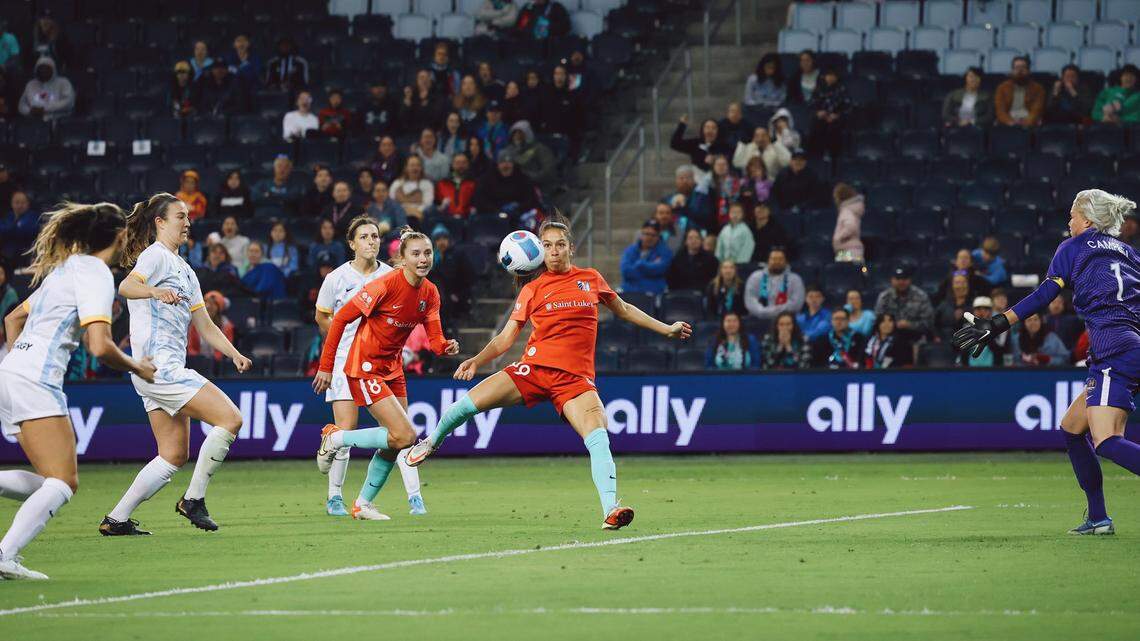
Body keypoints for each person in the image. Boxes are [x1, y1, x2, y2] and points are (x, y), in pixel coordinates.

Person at [405, 218, 691, 530]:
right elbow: (505, 338)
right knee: (466, 406)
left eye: (559, 244)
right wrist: (476, 360)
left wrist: (667, 329)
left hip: (575, 379)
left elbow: (624, 309)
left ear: (571, 248)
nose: (554, 251)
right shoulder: (532, 289)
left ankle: (611, 508)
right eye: (547, 245)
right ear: (540, 251)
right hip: (533, 370)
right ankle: (432, 441)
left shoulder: (591, 279)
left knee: (598, 437)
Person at [951, 189, 1140, 534]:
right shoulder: (1130, 253)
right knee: (1072, 428)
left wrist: (996, 323)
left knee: (1107, 440)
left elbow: (1044, 295)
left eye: (1072, 215)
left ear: (1086, 219)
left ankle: (1099, 518)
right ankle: (1098, 517)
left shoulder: (1074, 247)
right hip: (1126, 346)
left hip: (1113, 349)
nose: (1068, 222)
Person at [0, 202, 156, 579]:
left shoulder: (65, 269)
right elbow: (99, 346)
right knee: (63, 483)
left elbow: (12, 318)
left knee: (53, 480)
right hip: (34, 379)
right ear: (120, 236)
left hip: (11, 372)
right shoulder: (97, 275)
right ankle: (5, 555)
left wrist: (19, 359)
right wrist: (138, 365)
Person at [100, 194, 252, 536]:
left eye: (188, 217)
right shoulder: (155, 256)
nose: (187, 222)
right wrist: (154, 292)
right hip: (160, 368)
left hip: (154, 373)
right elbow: (126, 285)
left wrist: (233, 353)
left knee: (172, 455)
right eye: (180, 216)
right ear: (160, 222)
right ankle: (193, 499)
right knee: (231, 419)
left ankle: (116, 519)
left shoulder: (184, 269)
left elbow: (205, 325)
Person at [312, 228, 458, 520]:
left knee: (396, 443)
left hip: (393, 369)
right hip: (365, 366)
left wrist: (446, 346)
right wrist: (326, 366)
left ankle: (363, 504)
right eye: (415, 253)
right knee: (404, 435)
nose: (423, 259)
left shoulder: (430, 292)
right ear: (402, 259)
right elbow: (339, 319)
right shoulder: (384, 285)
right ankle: (337, 439)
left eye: (427, 253)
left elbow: (435, 339)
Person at [875, 265, 934, 343]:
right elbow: (878, 320)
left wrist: (910, 325)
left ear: (910, 280)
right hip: (891, 338)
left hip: (916, 338)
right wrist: (892, 325)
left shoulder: (921, 296)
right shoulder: (884, 297)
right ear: (892, 280)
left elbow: (928, 323)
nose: (901, 282)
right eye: (898, 279)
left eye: (904, 279)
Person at [471, 150, 539, 216]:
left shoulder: (523, 179)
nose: (506, 166)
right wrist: (496, 210)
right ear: (497, 164)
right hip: (493, 216)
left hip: (519, 215)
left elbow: (530, 199)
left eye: (509, 162)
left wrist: (518, 209)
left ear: (513, 164)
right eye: (502, 162)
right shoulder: (486, 180)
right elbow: (480, 200)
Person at [744, 247, 804, 321]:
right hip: (758, 319)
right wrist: (762, 312)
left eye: (780, 259)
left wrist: (774, 312)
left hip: (786, 321)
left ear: (786, 261)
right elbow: (750, 300)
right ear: (768, 261)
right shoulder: (755, 277)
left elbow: (796, 304)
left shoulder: (795, 279)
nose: (777, 262)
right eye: (774, 259)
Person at [806, 68, 851, 161]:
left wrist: (837, 115)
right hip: (821, 118)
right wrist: (818, 113)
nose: (830, 78)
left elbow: (848, 108)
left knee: (834, 128)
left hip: (836, 119)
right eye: (828, 75)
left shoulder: (842, 89)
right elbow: (811, 105)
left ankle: (832, 156)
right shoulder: (818, 89)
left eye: (832, 75)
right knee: (815, 126)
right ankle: (816, 157)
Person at [620, 220, 673, 296]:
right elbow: (626, 271)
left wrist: (640, 264)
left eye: (653, 235)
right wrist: (649, 268)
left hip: (653, 294)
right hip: (629, 292)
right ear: (641, 234)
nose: (649, 238)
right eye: (647, 234)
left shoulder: (665, 252)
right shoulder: (630, 250)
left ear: (658, 236)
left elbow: (661, 269)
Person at [18, 56, 73, 121]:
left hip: (59, 122)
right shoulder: (31, 84)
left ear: (53, 69)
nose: (43, 71)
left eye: (46, 68)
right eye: (40, 68)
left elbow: (68, 103)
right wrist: (30, 111)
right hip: (34, 123)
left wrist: (44, 109)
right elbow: (21, 105)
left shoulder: (63, 82)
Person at [508, 120, 557, 193]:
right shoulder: (511, 150)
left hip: (536, 186)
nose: (517, 136)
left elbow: (548, 172)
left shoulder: (540, 149)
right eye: (514, 133)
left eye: (520, 133)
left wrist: (526, 176)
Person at [995, 56, 1045, 127]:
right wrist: (1011, 123)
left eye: (1023, 67)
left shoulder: (1038, 89)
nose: (1020, 70)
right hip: (1007, 123)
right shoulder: (1002, 88)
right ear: (1012, 71)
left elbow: (1036, 111)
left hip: (1029, 124)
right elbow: (1000, 111)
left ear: (1028, 71)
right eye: (1017, 67)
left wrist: (1026, 123)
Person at [187, 290, 234, 362]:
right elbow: (192, 348)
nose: (208, 306)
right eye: (206, 302)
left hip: (217, 365)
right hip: (197, 363)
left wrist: (213, 361)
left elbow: (225, 350)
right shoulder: (195, 324)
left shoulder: (227, 326)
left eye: (213, 304)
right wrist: (198, 359)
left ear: (219, 308)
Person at [664, 165, 712, 231]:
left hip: (696, 234)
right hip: (675, 235)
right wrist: (672, 207)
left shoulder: (702, 197)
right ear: (676, 181)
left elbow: (706, 218)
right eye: (681, 178)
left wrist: (685, 205)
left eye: (688, 178)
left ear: (693, 180)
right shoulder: (667, 199)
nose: (685, 181)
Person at [0, 191, 39, 267]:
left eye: (23, 202)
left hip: (25, 254)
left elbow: (27, 231)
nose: (20, 205)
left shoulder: (33, 216)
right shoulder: (8, 216)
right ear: (12, 203)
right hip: (6, 254)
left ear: (28, 203)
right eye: (17, 202)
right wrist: (15, 226)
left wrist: (11, 228)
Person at [389, 157, 434, 223]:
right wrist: (406, 211)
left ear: (421, 168)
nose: (415, 168)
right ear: (406, 168)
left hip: (419, 215)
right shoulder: (396, 183)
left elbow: (428, 204)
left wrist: (415, 211)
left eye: (418, 165)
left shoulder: (427, 184)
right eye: (412, 165)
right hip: (399, 214)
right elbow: (391, 202)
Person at [401, 69, 447, 135]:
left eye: (427, 77)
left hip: (431, 133)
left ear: (430, 81)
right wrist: (408, 101)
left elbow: (437, 117)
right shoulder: (410, 96)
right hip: (412, 134)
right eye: (421, 77)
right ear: (416, 80)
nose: (424, 80)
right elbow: (403, 120)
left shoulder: (438, 97)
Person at [435, 153, 476, 219]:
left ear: (468, 164)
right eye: (458, 163)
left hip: (467, 219)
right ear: (452, 165)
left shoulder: (474, 183)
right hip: (446, 219)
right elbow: (437, 204)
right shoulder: (442, 184)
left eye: (464, 163)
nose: (461, 166)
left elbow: (475, 205)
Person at [935, 273, 974, 341]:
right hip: (946, 342)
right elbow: (934, 324)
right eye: (957, 282)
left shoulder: (975, 304)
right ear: (952, 286)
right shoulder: (944, 305)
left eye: (964, 282)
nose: (961, 286)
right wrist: (937, 337)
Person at [707, 155, 742, 229]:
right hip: (713, 219)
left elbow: (735, 200)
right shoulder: (709, 183)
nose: (721, 167)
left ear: (728, 166)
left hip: (731, 217)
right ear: (714, 167)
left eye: (723, 164)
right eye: (718, 165)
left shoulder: (734, 181)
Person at [831, 183, 863, 263]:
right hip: (855, 251)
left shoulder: (846, 210)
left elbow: (851, 226)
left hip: (847, 251)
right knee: (860, 271)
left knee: (845, 273)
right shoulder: (852, 209)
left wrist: (838, 238)